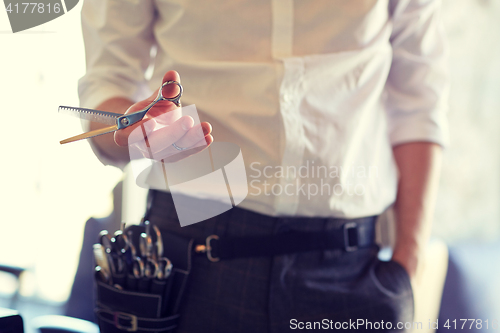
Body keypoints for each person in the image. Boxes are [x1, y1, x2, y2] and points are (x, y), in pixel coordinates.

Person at [78, 0, 448, 332]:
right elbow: (107, 85)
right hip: (190, 258)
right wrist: (131, 131)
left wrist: (407, 265)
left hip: (352, 269)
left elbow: (419, 105)